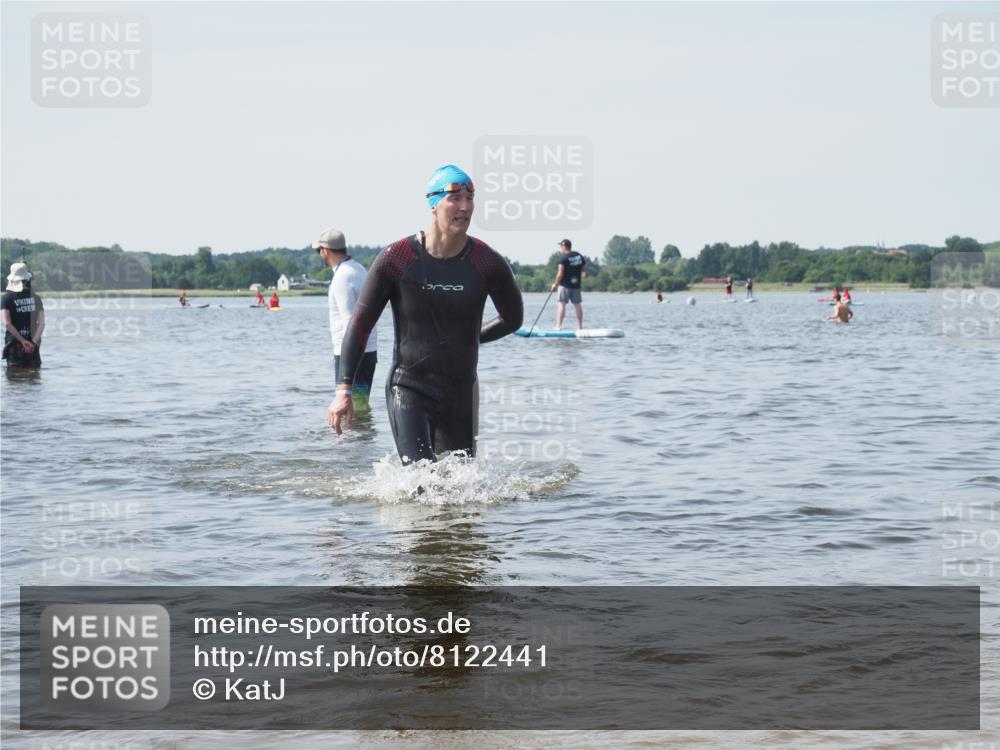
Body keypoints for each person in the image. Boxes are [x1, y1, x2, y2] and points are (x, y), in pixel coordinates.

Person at [327, 164, 523, 463]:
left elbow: (513, 319)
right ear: (433, 204)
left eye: (470, 198)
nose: (465, 207)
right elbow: (360, 325)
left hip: (461, 392)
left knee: (459, 485)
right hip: (409, 388)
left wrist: (468, 339)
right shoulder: (397, 258)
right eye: (454, 198)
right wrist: (343, 391)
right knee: (420, 478)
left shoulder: (487, 262)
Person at [314, 227, 378, 415]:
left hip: (351, 354)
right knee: (360, 409)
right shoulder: (359, 269)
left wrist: (347, 367)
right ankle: (363, 434)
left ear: (325, 251)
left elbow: (351, 322)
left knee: (350, 413)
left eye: (319, 251)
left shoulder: (342, 277)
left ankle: (354, 436)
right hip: (368, 351)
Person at [2, 262, 45, 368]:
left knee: (15, 375)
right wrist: (33, 343)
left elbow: (7, 323)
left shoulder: (6, 298)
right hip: (33, 345)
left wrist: (23, 341)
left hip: (14, 344)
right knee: (33, 375)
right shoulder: (36, 298)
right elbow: (42, 324)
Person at [550, 239, 586, 330]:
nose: (560, 248)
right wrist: (580, 275)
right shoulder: (579, 256)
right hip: (576, 285)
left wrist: (555, 284)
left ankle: (558, 326)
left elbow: (560, 273)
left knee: (561, 304)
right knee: (577, 305)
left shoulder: (563, 258)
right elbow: (584, 271)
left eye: (561, 246)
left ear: (564, 246)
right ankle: (579, 327)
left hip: (564, 285)